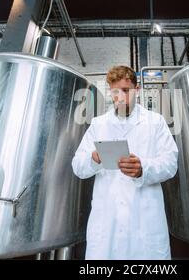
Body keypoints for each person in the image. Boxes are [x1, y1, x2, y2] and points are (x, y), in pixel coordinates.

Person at [72, 65, 178, 260]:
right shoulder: (98, 124)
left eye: (126, 90)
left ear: (137, 90)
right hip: (107, 221)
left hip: (144, 220)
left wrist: (143, 168)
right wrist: (93, 159)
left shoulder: (155, 122)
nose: (119, 96)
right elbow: (78, 166)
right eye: (114, 91)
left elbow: (171, 163)